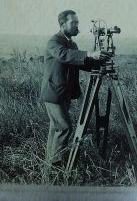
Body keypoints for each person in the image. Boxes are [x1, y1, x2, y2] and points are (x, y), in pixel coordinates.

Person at [39, 10, 111, 169]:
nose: (76, 26)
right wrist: (90, 53)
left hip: (64, 94)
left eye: (77, 23)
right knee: (65, 128)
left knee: (56, 129)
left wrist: (98, 61)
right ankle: (56, 166)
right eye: (73, 23)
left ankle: (48, 167)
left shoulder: (72, 44)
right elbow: (64, 55)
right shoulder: (54, 41)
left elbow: (78, 62)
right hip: (54, 93)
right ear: (63, 24)